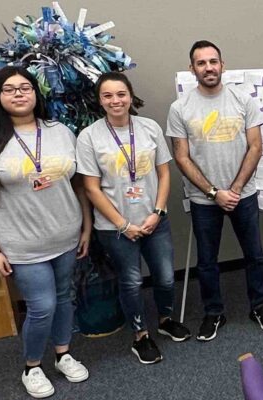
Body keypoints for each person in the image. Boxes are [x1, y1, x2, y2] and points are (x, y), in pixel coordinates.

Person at [0, 66, 91, 398]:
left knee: (64, 298)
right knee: (42, 306)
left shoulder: (60, 131)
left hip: (65, 236)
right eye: (9, 89)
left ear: (36, 94)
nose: (18, 93)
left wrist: (86, 226)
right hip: (21, 245)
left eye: (25, 87)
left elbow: (78, 184)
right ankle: (32, 366)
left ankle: (62, 354)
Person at [167, 40, 263, 341]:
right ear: (192, 69)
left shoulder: (243, 100)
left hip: (244, 194)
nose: (208, 67)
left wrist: (237, 188)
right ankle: (213, 313)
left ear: (222, 64)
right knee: (207, 262)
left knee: (255, 254)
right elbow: (181, 156)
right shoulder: (180, 108)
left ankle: (259, 306)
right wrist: (215, 192)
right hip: (204, 199)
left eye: (213, 61)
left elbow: (256, 146)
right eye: (201, 63)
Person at [78, 72, 191, 364]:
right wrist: (122, 224)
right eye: (108, 95)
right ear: (100, 100)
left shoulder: (149, 128)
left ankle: (165, 321)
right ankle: (140, 335)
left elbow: (165, 173)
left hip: (154, 221)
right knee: (131, 282)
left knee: (165, 277)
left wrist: (158, 212)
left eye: (121, 94)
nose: (115, 101)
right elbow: (91, 187)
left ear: (130, 96)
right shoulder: (89, 136)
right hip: (116, 228)